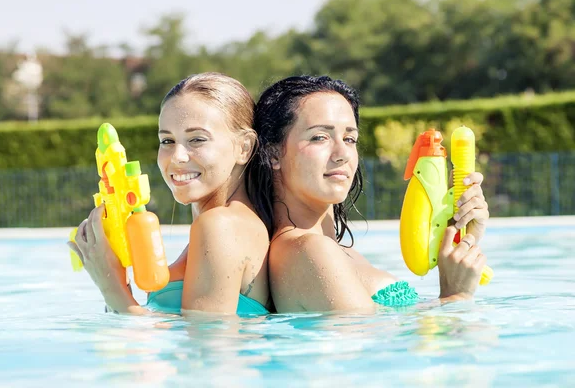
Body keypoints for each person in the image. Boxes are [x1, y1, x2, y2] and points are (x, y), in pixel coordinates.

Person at [245, 75, 490, 313]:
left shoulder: (334, 251)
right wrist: (456, 295)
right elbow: (368, 346)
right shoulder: (309, 250)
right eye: (319, 137)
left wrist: (458, 236)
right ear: (274, 154)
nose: (342, 153)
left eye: (350, 138)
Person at [67, 72, 271, 316]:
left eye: (196, 139)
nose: (177, 157)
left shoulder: (220, 226)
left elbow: (206, 345)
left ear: (244, 147)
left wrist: (110, 283)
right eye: (167, 141)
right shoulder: (228, 224)